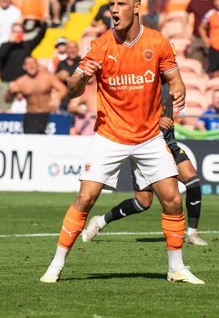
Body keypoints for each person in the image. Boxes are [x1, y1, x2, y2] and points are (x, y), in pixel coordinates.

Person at [40, 0, 204, 285]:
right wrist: (81, 79)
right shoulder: (100, 45)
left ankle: (176, 268)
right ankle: (56, 264)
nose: (113, 10)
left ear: (137, 7)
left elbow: (175, 80)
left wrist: (179, 91)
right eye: (111, 4)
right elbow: (72, 91)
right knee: (86, 199)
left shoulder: (157, 42)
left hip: (149, 136)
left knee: (171, 200)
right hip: (109, 135)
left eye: (120, 4)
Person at [81, 78, 208, 246]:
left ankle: (192, 233)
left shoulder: (171, 80)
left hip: (168, 144)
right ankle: (100, 221)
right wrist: (156, 120)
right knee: (143, 203)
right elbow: (128, 111)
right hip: (145, 145)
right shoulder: (141, 80)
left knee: (192, 181)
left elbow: (176, 96)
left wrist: (180, 93)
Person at [0, 19, 48, 111]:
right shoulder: (5, 45)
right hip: (6, 84)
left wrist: (44, 23)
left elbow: (40, 37)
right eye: (15, 31)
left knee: (24, 110)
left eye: (19, 32)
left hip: (23, 84)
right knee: (4, 111)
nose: (17, 34)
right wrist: (10, 43)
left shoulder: (26, 45)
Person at [5, 56, 67, 134]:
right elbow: (7, 100)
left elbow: (63, 89)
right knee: (31, 143)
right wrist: (10, 92)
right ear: (24, 67)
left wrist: (58, 97)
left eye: (33, 63)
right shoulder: (21, 82)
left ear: (37, 65)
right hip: (31, 117)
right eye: (28, 64)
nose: (31, 66)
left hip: (48, 115)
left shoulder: (48, 77)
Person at [184, 0, 213, 66]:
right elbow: (185, 16)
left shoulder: (213, 1)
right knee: (196, 63)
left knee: (211, 63)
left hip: (211, 37)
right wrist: (187, 31)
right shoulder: (194, 1)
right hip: (196, 37)